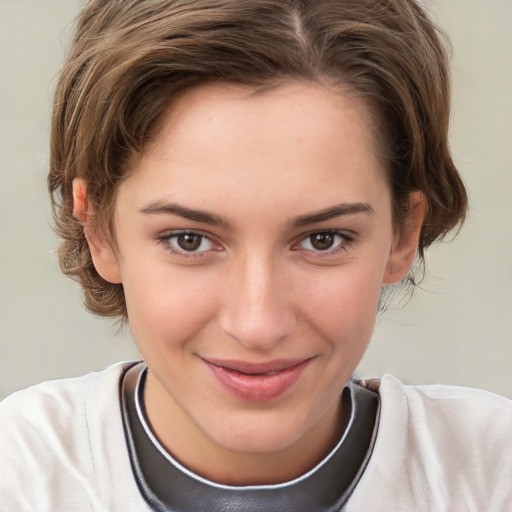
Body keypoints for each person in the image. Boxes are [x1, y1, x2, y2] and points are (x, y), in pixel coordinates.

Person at [0, 0, 510, 510]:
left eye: (323, 239)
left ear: (403, 234)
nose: (258, 325)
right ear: (99, 233)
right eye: (189, 240)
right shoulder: (20, 473)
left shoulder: (491, 472)